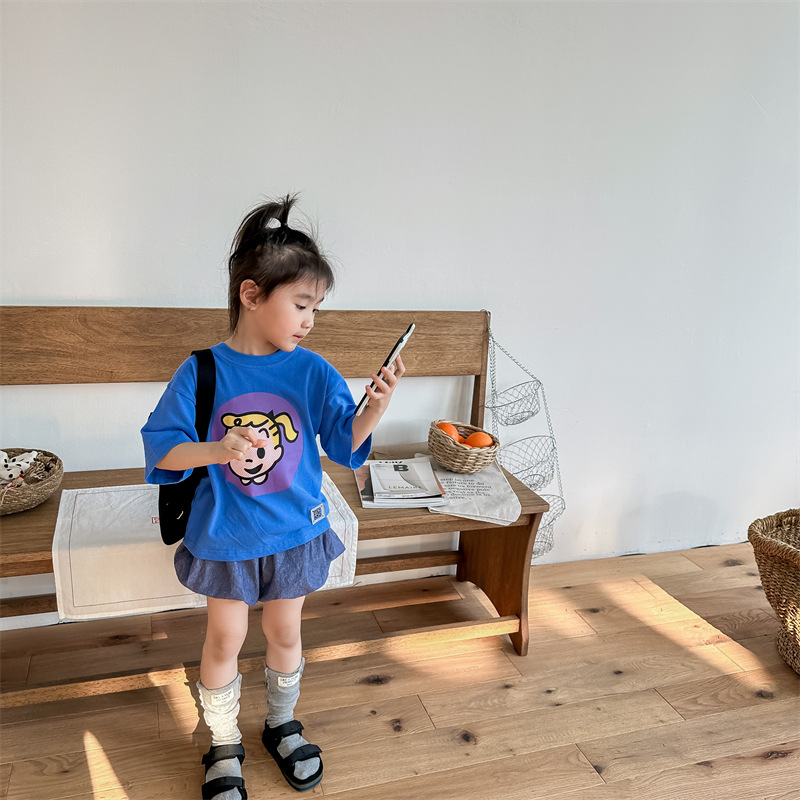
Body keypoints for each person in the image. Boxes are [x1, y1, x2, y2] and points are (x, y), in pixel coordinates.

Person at [141, 195, 404, 799]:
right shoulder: (202, 371)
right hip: (227, 536)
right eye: (302, 304)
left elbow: (344, 446)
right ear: (252, 294)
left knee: (286, 635)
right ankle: (223, 742)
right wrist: (218, 449)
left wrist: (373, 410)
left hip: (295, 532)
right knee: (225, 639)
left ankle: (281, 724)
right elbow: (162, 452)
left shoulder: (312, 371)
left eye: (316, 308)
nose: (310, 320)